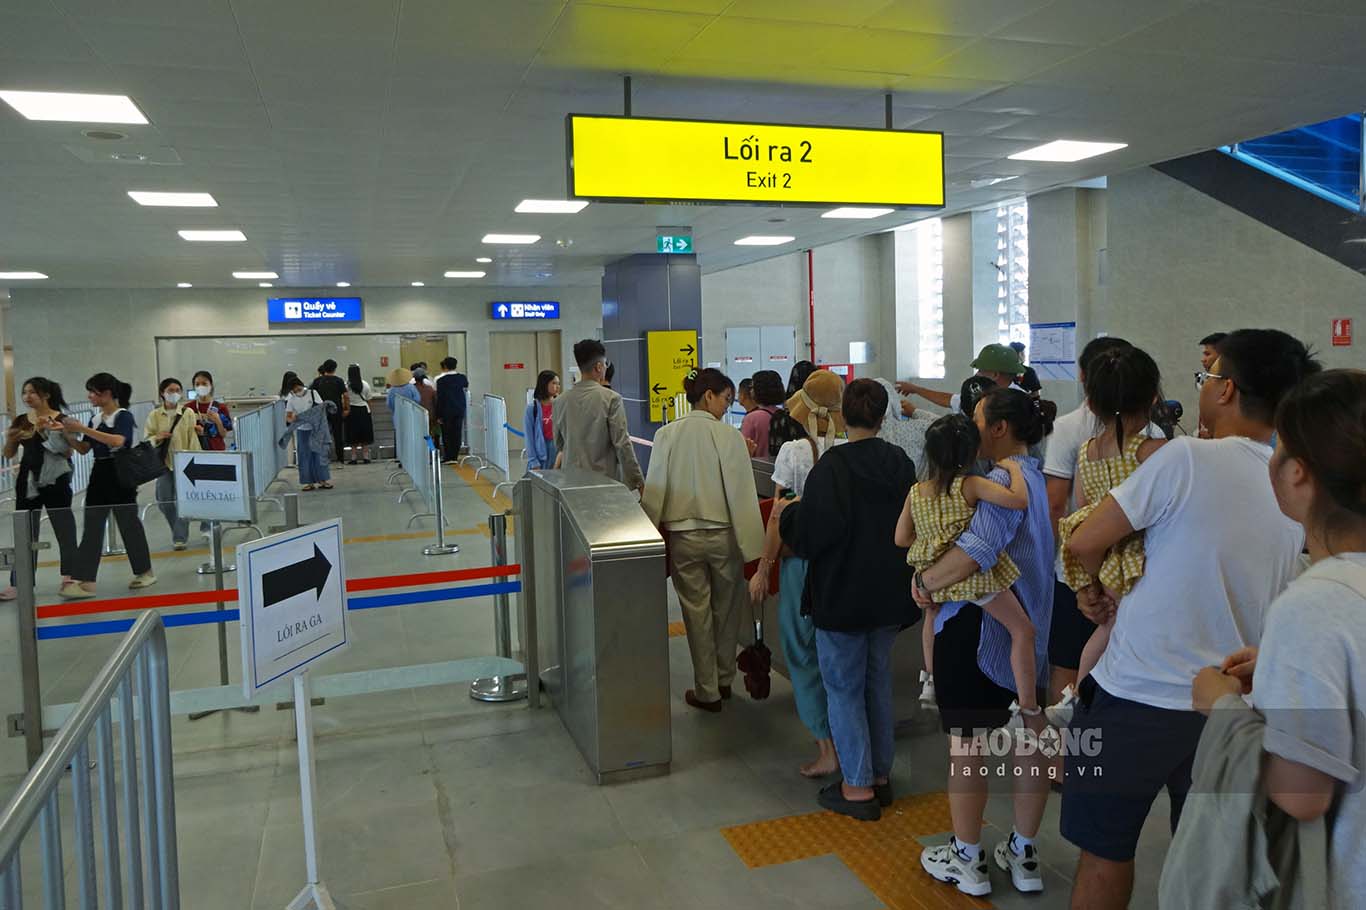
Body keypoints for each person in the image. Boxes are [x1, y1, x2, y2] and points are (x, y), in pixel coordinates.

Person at [1060, 329, 1319, 909]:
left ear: (1226, 390)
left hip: (1134, 696)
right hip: (1232, 707)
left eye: (1206, 378)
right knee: (1209, 864)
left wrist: (1096, 590)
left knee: (1104, 852)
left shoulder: (1184, 458)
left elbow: (1086, 539)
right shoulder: (1296, 481)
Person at [1187, 369, 1366, 909]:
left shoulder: (1315, 605)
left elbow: (1303, 793)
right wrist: (1285, 667)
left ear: (1296, 472)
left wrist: (1220, 706)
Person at [913, 388, 1054, 898]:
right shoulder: (1037, 477)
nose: (971, 428)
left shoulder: (992, 480)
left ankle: (967, 857)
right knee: (1028, 741)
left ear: (998, 429)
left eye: (977, 418)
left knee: (967, 747)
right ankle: (1024, 852)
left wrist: (925, 583)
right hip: (1032, 634)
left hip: (977, 636)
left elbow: (976, 550)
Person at [778, 379, 917, 822]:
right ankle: (879, 775)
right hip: (890, 595)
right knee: (876, 684)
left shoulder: (833, 468)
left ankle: (856, 786)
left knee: (842, 689)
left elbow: (813, 534)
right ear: (881, 416)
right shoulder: (900, 462)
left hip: (842, 596)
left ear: (843, 414)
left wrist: (790, 514)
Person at [1049, 344, 1166, 725]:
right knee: (1117, 632)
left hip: (1101, 559)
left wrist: (1091, 581)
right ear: (1152, 397)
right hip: (1140, 559)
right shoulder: (1153, 450)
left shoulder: (1086, 451)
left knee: (1104, 629)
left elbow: (1083, 512)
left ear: (1092, 401)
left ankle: (1076, 696)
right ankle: (1080, 696)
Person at [897, 413, 1037, 727]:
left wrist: (931, 535)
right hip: (973, 579)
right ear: (973, 453)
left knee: (931, 618)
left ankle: (930, 681)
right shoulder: (970, 484)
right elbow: (1017, 500)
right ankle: (1028, 706)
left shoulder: (916, 492)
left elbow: (901, 537)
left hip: (934, 577)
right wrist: (1013, 468)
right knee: (1022, 630)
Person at [643, 369, 763, 712]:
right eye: (725, 399)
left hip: (683, 538)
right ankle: (725, 679)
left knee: (696, 613)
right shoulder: (729, 437)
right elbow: (741, 494)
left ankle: (707, 689)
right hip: (724, 536)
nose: (727, 406)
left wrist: (649, 535)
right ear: (708, 395)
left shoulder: (666, 434)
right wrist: (753, 549)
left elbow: (655, 490)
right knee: (727, 609)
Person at [748, 368, 846, 776]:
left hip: (800, 562)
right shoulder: (847, 446)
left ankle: (826, 745)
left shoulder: (793, 451)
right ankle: (849, 741)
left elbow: (778, 518)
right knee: (838, 654)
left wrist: (763, 566)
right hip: (842, 562)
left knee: (801, 651)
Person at [60, 373, 156, 599]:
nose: (90, 396)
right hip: (99, 473)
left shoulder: (123, 416)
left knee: (128, 524)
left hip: (120, 472)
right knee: (92, 526)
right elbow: (84, 449)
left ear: (107, 393)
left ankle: (145, 570)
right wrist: (66, 434)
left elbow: (118, 441)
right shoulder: (95, 419)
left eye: (94, 392)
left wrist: (82, 429)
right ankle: (86, 580)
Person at [1, 377, 77, 600]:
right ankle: (20, 581)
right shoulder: (21, 421)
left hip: (56, 479)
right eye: (25, 392)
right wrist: (10, 438)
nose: (27, 397)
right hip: (28, 480)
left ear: (46, 395)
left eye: (32, 392)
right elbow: (8, 454)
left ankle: (70, 575)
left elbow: (68, 452)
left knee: (64, 527)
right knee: (24, 529)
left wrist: (49, 432)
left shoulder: (61, 419)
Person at [554, 339, 644, 492]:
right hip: (604, 485)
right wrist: (638, 481)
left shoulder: (560, 401)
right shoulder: (611, 399)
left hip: (571, 486)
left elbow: (559, 444)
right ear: (599, 366)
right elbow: (622, 444)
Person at [145, 377, 201, 550]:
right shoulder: (154, 415)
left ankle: (179, 536)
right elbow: (147, 439)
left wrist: (194, 459)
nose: (174, 393)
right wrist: (157, 437)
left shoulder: (187, 413)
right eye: (170, 390)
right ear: (162, 393)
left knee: (185, 500)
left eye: (178, 390)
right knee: (164, 500)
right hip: (163, 464)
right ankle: (179, 527)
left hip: (185, 463)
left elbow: (192, 438)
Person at [897, 343, 1027, 413]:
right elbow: (950, 400)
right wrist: (916, 389)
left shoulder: (1017, 403)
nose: (977, 375)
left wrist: (917, 413)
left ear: (995, 375)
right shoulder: (980, 395)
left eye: (981, 370)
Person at [874, 378, 935, 477]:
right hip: (916, 491)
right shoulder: (918, 428)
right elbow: (944, 425)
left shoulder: (863, 438)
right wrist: (915, 412)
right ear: (895, 402)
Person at [284, 375, 333, 491]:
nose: (297, 391)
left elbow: (322, 408)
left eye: (298, 389)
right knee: (304, 456)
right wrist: (295, 419)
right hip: (302, 430)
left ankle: (323, 480)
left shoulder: (313, 393)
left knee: (319, 455)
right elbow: (288, 417)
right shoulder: (291, 399)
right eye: (294, 390)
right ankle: (308, 482)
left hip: (316, 429)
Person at [310, 359, 349, 464]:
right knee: (338, 435)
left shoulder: (317, 381)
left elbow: (311, 395)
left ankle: (324, 458)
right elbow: (346, 395)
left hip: (322, 412)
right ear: (335, 369)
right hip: (336, 411)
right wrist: (346, 408)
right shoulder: (339, 380)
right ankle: (340, 459)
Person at [740, 369, 784, 459]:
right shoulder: (784, 415)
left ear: (759, 390)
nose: (751, 391)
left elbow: (743, 451)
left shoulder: (751, 418)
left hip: (758, 468)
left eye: (752, 387)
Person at [434, 357, 469, 464]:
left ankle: (448, 456)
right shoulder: (462, 378)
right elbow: (466, 386)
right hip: (459, 409)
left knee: (447, 433)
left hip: (446, 410)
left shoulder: (441, 381)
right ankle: (455, 456)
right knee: (457, 433)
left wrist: (438, 414)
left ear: (444, 366)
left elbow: (440, 398)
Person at [524, 370, 560, 471]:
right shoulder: (532, 409)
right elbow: (529, 437)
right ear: (544, 384)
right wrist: (533, 461)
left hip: (558, 454)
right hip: (541, 455)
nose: (557, 386)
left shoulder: (560, 405)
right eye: (554, 383)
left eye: (558, 384)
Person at [187, 370, 232, 452]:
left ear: (211, 385)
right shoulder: (188, 408)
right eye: (197, 384)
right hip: (195, 450)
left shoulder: (221, 407)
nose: (201, 387)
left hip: (216, 450)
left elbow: (223, 434)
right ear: (194, 387)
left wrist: (218, 420)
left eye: (204, 384)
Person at [343, 364, 374, 464]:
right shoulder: (365, 384)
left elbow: (345, 398)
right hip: (364, 411)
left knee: (353, 435)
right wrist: (369, 410)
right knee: (364, 434)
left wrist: (346, 409)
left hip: (352, 411)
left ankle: (353, 458)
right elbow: (369, 399)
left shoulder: (346, 385)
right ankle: (366, 457)